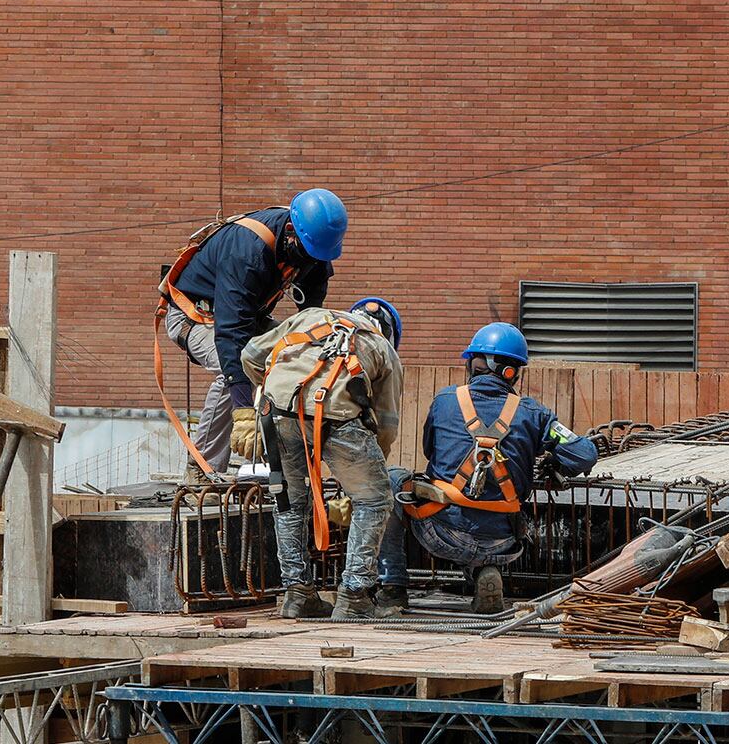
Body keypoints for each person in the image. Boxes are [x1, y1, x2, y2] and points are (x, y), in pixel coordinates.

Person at [382, 323, 600, 615]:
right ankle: (485, 572)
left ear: (474, 364)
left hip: (440, 533)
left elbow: (430, 452)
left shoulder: (445, 401)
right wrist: (554, 461)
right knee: (484, 513)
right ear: (512, 372)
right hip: (503, 543)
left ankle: (392, 590)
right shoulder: (535, 414)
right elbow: (584, 454)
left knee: (393, 480)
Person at [156, 189, 346, 482]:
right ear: (291, 231)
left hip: (248, 316)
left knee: (299, 357)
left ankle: (295, 462)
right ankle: (202, 468)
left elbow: (310, 310)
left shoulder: (315, 245)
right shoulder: (247, 250)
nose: (310, 261)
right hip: (195, 317)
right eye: (307, 253)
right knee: (234, 366)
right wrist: (243, 410)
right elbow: (231, 336)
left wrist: (308, 349)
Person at [241, 296, 403, 620]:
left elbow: (250, 355)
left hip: (277, 414)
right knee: (375, 500)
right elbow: (386, 425)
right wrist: (369, 471)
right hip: (339, 420)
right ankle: (355, 596)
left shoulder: (310, 317)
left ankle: (298, 594)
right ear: (389, 331)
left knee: (288, 501)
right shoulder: (383, 348)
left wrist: (272, 389)